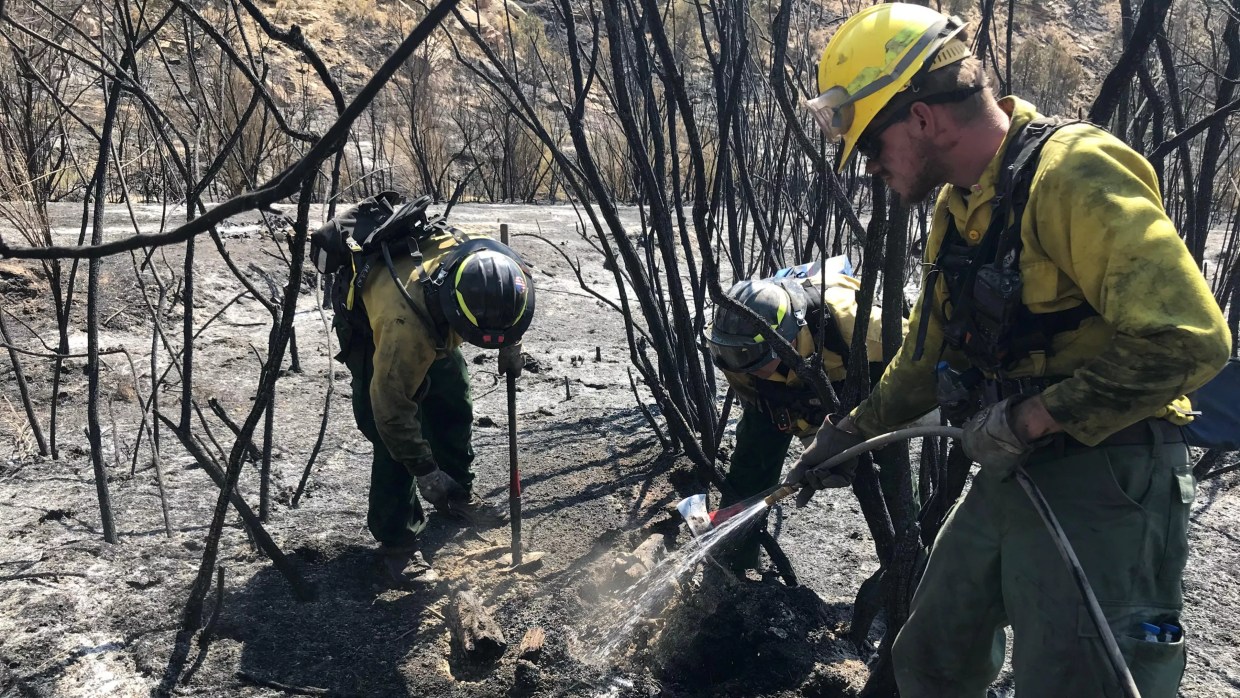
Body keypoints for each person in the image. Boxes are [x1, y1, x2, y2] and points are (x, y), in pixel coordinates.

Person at [790, 4, 1231, 696]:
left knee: (1074, 681)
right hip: (1009, 472)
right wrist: (848, 435)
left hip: (1109, 477)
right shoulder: (958, 208)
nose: (869, 168)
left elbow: (1189, 339)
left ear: (923, 119)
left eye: (872, 148)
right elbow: (922, 359)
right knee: (932, 657)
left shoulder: (1074, 175)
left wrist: (1032, 419)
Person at [329, 203, 535, 588]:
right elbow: (391, 413)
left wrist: (510, 344)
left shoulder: (496, 267)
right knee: (391, 436)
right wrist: (425, 472)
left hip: (435, 315)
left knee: (453, 395)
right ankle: (397, 542)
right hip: (372, 328)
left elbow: (511, 306)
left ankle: (455, 492)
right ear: (457, 313)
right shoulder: (404, 328)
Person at [707, 265, 905, 572]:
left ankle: (908, 569)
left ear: (785, 339)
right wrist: (814, 439)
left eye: (746, 357)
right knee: (752, 462)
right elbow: (757, 398)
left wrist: (858, 429)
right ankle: (731, 558)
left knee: (892, 475)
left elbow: (921, 371)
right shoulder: (736, 354)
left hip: (869, 390)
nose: (737, 366)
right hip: (783, 397)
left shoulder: (864, 329)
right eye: (730, 356)